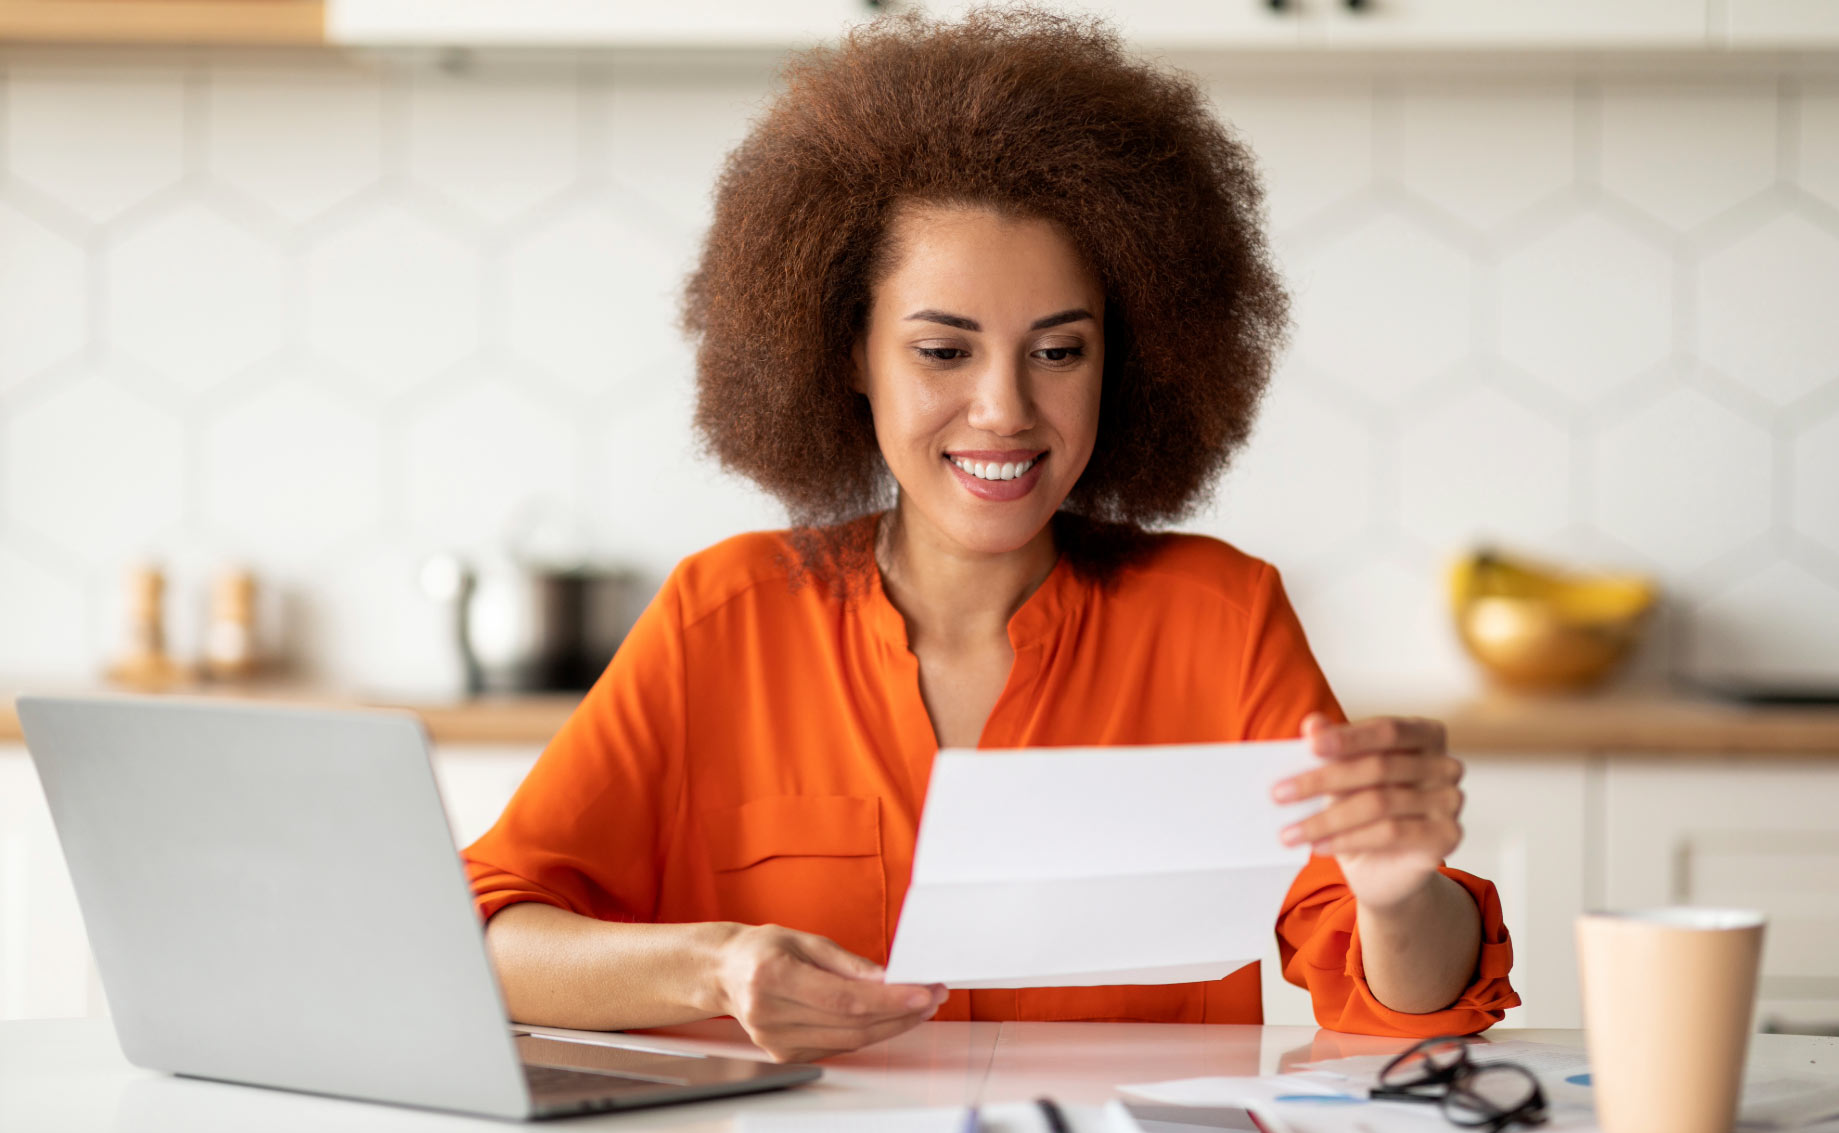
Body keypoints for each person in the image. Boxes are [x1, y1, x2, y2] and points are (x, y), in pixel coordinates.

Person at [463, 8, 1518, 1063]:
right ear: (849, 356)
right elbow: (483, 935)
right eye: (941, 352)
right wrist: (715, 968)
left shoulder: (1221, 619)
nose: (1005, 409)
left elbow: (1403, 1007)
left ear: (1126, 361)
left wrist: (1393, 895)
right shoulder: (722, 616)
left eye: (1058, 352)